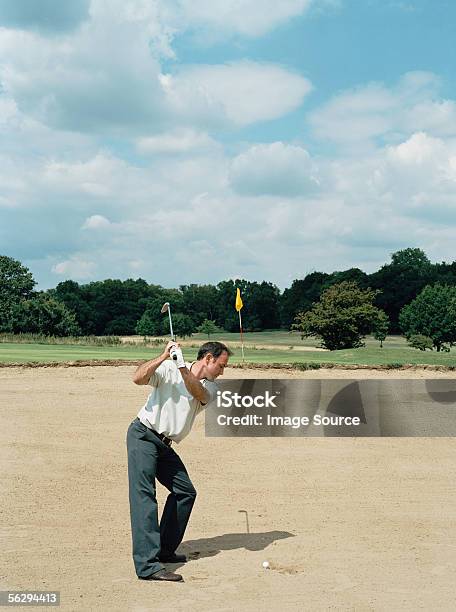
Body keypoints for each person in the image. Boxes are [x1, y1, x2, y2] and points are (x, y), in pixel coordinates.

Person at [126, 340, 231, 582]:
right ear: (208, 359)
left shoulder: (211, 387)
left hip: (164, 444)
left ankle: (164, 549)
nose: (223, 371)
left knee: (185, 492)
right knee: (144, 497)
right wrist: (163, 357)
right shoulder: (168, 368)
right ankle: (148, 565)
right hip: (143, 434)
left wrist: (182, 366)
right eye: (222, 366)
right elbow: (137, 378)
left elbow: (197, 392)